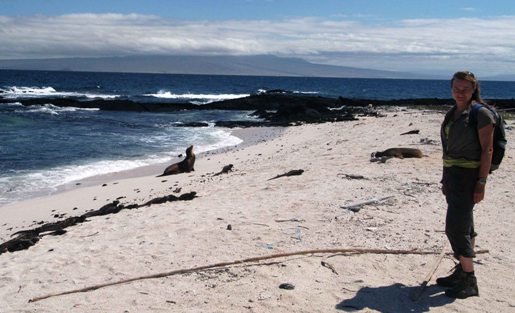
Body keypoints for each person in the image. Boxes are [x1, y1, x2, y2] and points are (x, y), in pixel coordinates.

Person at [437, 71, 495, 299]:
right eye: (456, 89)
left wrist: (481, 182)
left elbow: (487, 150)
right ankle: (461, 272)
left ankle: (469, 280)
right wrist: (445, 178)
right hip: (453, 174)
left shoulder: (481, 114)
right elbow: (448, 149)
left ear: (474, 90)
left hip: (468, 175)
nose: (460, 93)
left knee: (455, 227)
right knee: (465, 224)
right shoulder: (454, 113)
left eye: (465, 89)